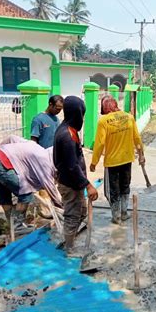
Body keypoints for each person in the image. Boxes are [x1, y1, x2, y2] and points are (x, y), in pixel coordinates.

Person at [0, 135, 61, 234]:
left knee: (4, 193)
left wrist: (2, 151)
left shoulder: (35, 147)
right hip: (1, 163)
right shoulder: (45, 161)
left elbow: (11, 138)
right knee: (25, 192)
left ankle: (13, 225)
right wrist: (61, 207)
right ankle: (17, 226)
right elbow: (50, 188)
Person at [53, 96, 98, 257]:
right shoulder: (66, 136)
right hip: (70, 184)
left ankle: (69, 238)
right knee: (72, 215)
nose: (83, 118)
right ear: (76, 113)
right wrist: (89, 185)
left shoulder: (69, 129)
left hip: (74, 182)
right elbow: (72, 166)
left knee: (81, 213)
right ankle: (69, 249)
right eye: (82, 114)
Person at [90, 95, 145, 225]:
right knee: (125, 186)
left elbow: (99, 144)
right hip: (127, 160)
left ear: (105, 109)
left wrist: (94, 162)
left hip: (112, 162)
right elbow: (137, 138)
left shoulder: (103, 121)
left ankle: (116, 216)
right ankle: (124, 213)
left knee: (112, 190)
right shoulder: (129, 117)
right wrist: (141, 154)